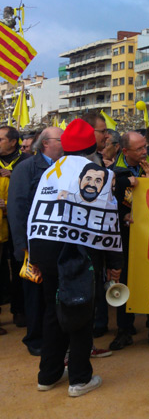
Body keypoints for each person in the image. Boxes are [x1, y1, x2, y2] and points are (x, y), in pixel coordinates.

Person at [28, 118, 123, 397]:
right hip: (79, 253)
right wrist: (115, 264)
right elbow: (108, 222)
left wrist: (34, 256)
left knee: (52, 311)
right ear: (93, 145)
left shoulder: (49, 171)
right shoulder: (98, 173)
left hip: (45, 251)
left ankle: (48, 375)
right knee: (80, 311)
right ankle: (80, 379)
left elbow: (34, 213)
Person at [7, 128, 63, 355]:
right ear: (47, 143)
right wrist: (22, 247)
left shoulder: (66, 166)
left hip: (57, 244)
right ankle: (35, 340)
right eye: (61, 139)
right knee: (34, 296)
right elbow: (17, 209)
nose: (65, 143)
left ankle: (52, 337)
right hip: (33, 245)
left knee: (52, 296)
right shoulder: (26, 168)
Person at [109, 131, 149, 350]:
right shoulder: (113, 172)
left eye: (145, 147)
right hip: (125, 236)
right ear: (125, 151)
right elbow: (108, 204)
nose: (144, 152)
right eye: (139, 149)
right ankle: (124, 330)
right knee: (125, 281)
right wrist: (124, 215)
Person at [0, 125, 30, 336]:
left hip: (18, 224)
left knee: (20, 265)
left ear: (13, 141)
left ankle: (19, 310)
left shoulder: (26, 162)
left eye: (1, 139)